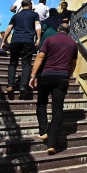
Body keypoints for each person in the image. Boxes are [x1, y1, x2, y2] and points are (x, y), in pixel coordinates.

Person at [29, 23, 78, 155]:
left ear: (58, 30)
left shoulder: (49, 40)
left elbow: (40, 56)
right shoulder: (73, 44)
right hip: (62, 77)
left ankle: (44, 132)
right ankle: (52, 144)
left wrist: (33, 75)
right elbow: (73, 63)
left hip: (46, 75)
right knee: (57, 108)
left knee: (41, 103)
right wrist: (68, 77)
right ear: (68, 32)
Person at [1, 0, 41, 99]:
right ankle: (23, 86)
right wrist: (39, 38)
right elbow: (37, 27)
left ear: (22, 5)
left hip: (15, 40)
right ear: (30, 5)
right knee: (26, 64)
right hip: (28, 41)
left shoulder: (15, 16)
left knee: (13, 63)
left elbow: (9, 28)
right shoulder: (34, 15)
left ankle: (10, 85)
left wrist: (4, 41)